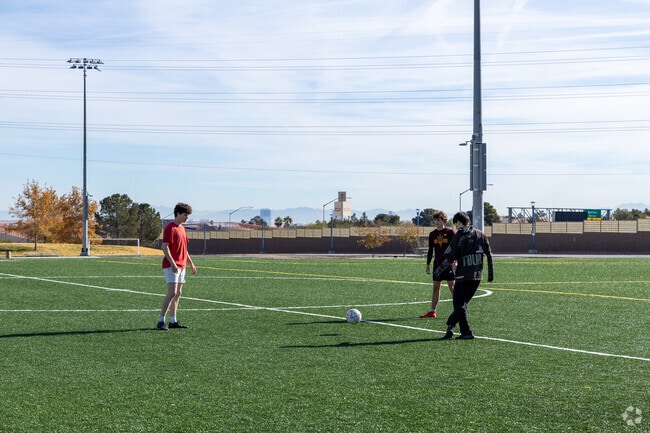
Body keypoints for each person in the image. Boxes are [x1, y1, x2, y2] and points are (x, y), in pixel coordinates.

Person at [434, 211, 493, 340]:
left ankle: (466, 332)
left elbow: (450, 257)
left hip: (463, 276)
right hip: (477, 276)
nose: (455, 227)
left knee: (459, 304)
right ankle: (450, 326)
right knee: (462, 304)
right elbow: (489, 254)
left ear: (459, 223)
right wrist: (490, 274)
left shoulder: (460, 235)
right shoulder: (481, 234)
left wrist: (438, 270)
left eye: (455, 224)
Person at [157, 202, 197, 331]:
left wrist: (190, 263)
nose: (187, 218)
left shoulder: (182, 229)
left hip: (181, 265)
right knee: (172, 292)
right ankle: (161, 320)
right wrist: (173, 263)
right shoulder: (170, 227)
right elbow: (164, 247)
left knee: (178, 293)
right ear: (178, 213)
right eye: (185, 215)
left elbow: (184, 249)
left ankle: (173, 320)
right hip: (171, 265)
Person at [421, 210, 455, 318]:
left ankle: (459, 309)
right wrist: (428, 264)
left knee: (452, 287)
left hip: (448, 264)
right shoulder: (432, 234)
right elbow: (431, 250)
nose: (437, 222)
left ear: (443, 220)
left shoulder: (450, 232)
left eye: (439, 220)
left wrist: (456, 261)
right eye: (435, 220)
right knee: (435, 288)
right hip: (437, 265)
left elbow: (455, 248)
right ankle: (432, 311)